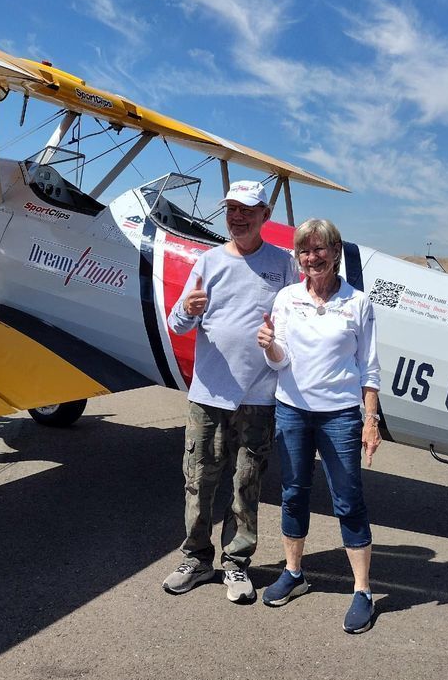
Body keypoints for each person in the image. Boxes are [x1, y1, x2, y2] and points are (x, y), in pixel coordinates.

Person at [163, 180, 299, 603]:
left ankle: (236, 565)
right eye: (232, 209)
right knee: (199, 482)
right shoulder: (207, 262)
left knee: (246, 485)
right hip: (208, 396)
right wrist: (187, 310)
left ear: (264, 215)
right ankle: (196, 559)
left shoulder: (284, 264)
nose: (238, 217)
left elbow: (296, 322)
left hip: (259, 400)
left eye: (247, 210)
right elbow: (177, 324)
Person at [256, 218, 382, 634]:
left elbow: (369, 367)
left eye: (320, 249)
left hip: (340, 415)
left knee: (348, 499)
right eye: (304, 251)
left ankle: (362, 591)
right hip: (292, 409)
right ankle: (294, 574)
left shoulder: (358, 302)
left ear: (336, 252)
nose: (312, 257)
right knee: (293, 492)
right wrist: (270, 346)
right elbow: (281, 360)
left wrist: (370, 420)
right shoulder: (287, 299)